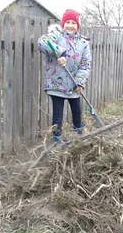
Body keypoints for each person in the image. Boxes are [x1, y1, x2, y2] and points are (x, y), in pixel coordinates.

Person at [38, 9, 92, 143]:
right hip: (56, 83)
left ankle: (80, 133)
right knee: (58, 115)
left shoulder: (83, 43)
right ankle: (57, 140)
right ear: (63, 24)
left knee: (77, 111)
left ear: (78, 26)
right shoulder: (56, 36)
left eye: (73, 22)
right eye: (67, 22)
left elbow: (85, 65)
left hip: (73, 84)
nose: (70, 25)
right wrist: (60, 54)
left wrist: (80, 83)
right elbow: (42, 42)